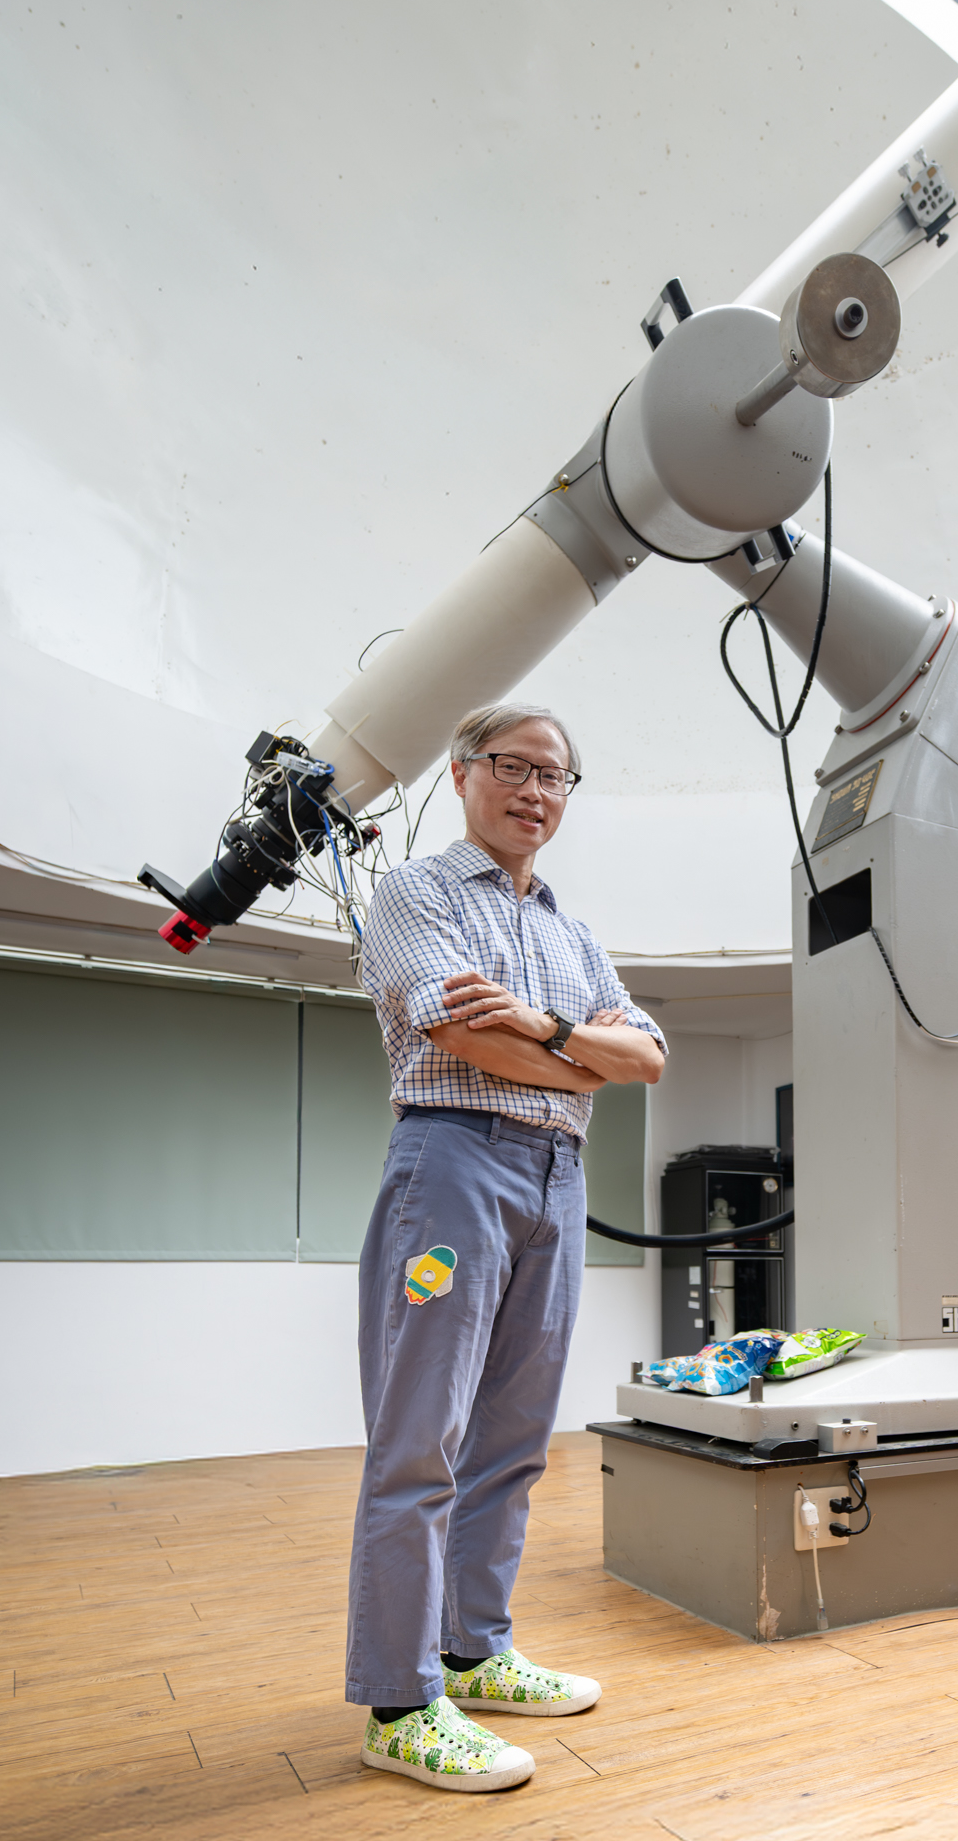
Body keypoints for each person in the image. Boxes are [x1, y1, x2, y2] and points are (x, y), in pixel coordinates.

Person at [345, 701, 667, 1792]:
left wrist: (546, 1028)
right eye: (512, 765)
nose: (534, 788)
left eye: (555, 775)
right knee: (419, 1436)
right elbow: (456, 1030)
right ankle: (399, 1699)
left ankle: (475, 1649)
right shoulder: (418, 893)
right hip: (450, 1170)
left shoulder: (574, 934)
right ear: (463, 771)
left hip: (556, 1183)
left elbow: (649, 1057)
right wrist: (578, 1054)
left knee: (518, 1435)